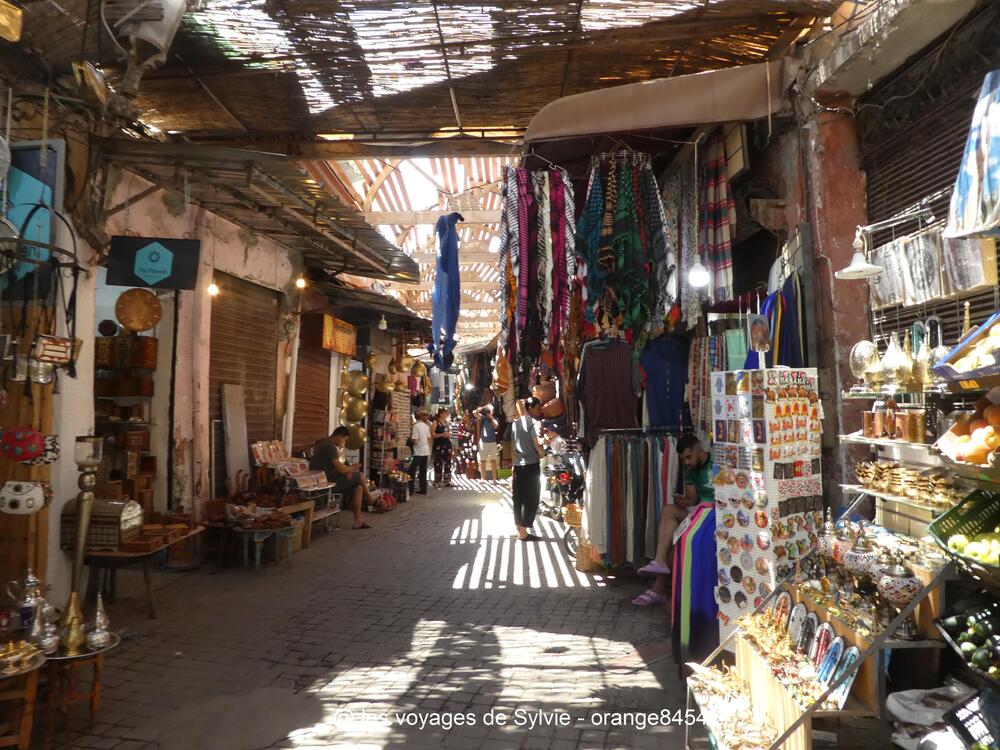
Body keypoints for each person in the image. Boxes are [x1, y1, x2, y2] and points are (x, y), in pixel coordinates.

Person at [633, 434, 714, 606]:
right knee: (669, 511)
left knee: (676, 541)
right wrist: (685, 501)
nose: (686, 462)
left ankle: (658, 588)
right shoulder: (692, 471)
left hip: (715, 517)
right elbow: (692, 499)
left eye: (688, 457)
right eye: (684, 459)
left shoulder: (717, 462)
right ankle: (660, 561)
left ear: (699, 450)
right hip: (700, 514)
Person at [309, 426, 373, 530]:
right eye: (344, 439)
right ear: (338, 436)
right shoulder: (330, 447)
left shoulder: (323, 444)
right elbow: (340, 469)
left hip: (325, 479)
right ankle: (370, 499)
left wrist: (348, 470)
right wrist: (352, 467)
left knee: (358, 488)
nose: (344, 442)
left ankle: (358, 521)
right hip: (327, 482)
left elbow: (337, 466)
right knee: (361, 476)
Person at [511, 397, 545, 541]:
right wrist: (541, 451)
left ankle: (519, 529)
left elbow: (512, 444)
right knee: (531, 498)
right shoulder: (532, 422)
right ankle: (523, 533)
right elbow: (536, 441)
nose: (539, 411)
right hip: (530, 465)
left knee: (519, 497)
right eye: (538, 408)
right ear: (530, 408)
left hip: (518, 466)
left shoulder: (515, 423)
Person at [475, 404, 500, 482]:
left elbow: (496, 426)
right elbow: (475, 413)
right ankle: (483, 478)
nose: (490, 412)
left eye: (492, 411)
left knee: (493, 460)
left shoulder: (494, 419)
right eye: (489, 411)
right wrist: (484, 407)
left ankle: (494, 479)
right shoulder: (483, 418)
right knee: (483, 461)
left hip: (492, 442)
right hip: (483, 442)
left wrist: (491, 418)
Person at [409, 411, 431, 495]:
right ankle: (423, 489)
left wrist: (410, 441)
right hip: (426, 451)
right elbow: (429, 439)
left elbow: (414, 439)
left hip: (418, 452)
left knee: (411, 471)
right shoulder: (426, 426)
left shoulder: (416, 426)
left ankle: (411, 489)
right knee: (423, 471)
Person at [432, 409, 453, 488]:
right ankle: (437, 481)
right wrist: (441, 434)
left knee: (448, 463)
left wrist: (448, 434)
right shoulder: (435, 423)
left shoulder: (447, 423)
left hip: (447, 445)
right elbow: (432, 434)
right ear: (441, 414)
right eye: (445, 413)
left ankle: (447, 481)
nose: (447, 414)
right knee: (438, 463)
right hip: (439, 445)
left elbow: (450, 432)